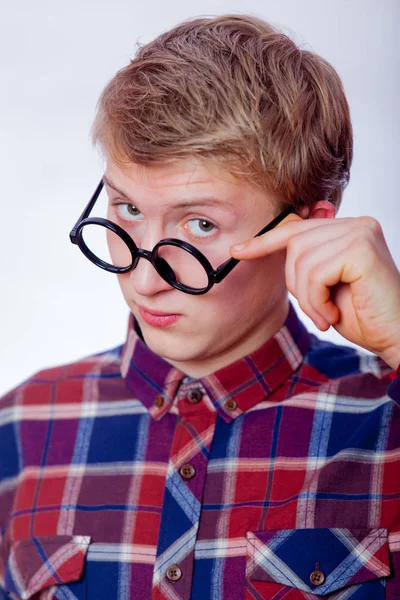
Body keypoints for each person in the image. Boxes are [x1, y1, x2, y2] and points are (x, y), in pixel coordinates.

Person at [0, 13, 399, 600]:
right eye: (128, 211)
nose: (143, 274)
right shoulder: (21, 427)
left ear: (305, 228)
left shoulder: (387, 421)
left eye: (200, 223)